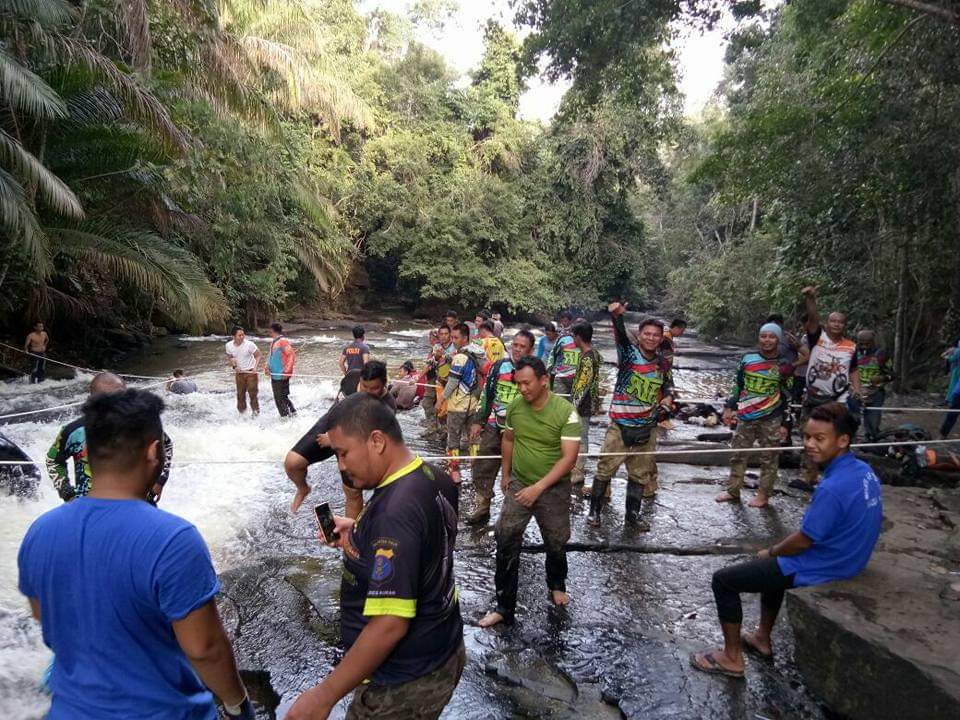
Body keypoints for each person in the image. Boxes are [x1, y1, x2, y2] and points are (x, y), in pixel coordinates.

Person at [20, 389, 255, 719]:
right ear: (153, 451)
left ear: (89, 452)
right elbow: (205, 649)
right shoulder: (175, 540)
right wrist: (237, 702)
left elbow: (47, 618)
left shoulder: (38, 533)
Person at [287, 393, 464, 720]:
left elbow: (389, 625)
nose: (341, 465)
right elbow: (424, 546)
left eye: (342, 453)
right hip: (444, 644)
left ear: (377, 441)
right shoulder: (432, 475)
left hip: (403, 680)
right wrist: (359, 533)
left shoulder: (394, 515)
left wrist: (323, 696)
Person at [691, 402, 881, 679]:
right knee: (778, 560)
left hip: (828, 564)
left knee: (725, 580)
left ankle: (731, 658)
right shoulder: (863, 471)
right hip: (851, 557)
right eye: (807, 437)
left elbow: (804, 541)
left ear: (843, 440)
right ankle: (762, 638)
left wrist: (771, 551)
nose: (810, 444)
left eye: (819, 439)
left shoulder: (832, 488)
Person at [479, 357, 581, 628]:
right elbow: (509, 439)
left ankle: (557, 584)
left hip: (553, 489)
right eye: (518, 383)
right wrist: (506, 472)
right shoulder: (515, 408)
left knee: (556, 540)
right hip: (520, 482)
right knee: (505, 536)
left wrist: (539, 488)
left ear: (544, 380)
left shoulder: (565, 412)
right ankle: (503, 606)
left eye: (527, 383)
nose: (522, 389)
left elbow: (569, 459)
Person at [587, 303, 674, 527]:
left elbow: (668, 390)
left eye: (656, 335)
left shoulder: (662, 364)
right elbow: (620, 338)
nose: (651, 338)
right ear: (640, 335)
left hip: (647, 426)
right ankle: (594, 512)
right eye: (647, 333)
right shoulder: (628, 354)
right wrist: (616, 316)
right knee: (605, 468)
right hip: (620, 425)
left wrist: (666, 404)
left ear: (661, 338)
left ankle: (632, 516)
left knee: (639, 474)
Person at [285, 361, 396, 518]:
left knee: (352, 492)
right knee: (292, 463)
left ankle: (350, 538)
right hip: (331, 422)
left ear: (384, 384)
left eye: (374, 389)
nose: (368, 393)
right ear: (360, 380)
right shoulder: (351, 377)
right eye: (365, 387)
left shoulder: (387, 407)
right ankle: (303, 488)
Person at [47, 372, 173, 504]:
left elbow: (166, 445)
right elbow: (53, 459)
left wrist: (159, 481)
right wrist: (66, 492)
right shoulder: (74, 431)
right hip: (88, 507)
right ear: (93, 400)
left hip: (139, 504)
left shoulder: (141, 424)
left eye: (122, 397)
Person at [715, 323, 793, 508]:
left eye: (771, 337)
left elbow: (789, 395)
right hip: (746, 415)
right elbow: (739, 385)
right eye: (763, 336)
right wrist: (729, 407)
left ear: (778, 339)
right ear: (759, 338)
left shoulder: (784, 365)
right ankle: (733, 490)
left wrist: (786, 424)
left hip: (771, 416)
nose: (767, 340)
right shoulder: (748, 359)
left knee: (770, 458)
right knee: (738, 454)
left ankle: (763, 495)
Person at [468, 329, 536, 525]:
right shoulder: (499, 367)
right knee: (483, 466)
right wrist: (478, 422)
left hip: (521, 433)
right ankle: (482, 506)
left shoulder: (535, 371)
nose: (517, 350)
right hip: (493, 426)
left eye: (523, 347)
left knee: (517, 473)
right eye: (515, 345)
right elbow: (487, 395)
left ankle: (510, 514)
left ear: (530, 350)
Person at [798, 286, 861, 487]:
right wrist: (811, 300)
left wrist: (857, 388)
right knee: (808, 434)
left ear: (844, 325)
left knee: (835, 437)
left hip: (837, 398)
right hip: (814, 395)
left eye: (840, 322)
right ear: (828, 323)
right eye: (833, 321)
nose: (836, 324)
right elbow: (813, 319)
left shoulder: (851, 346)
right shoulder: (817, 338)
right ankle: (808, 475)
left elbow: (853, 369)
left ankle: (833, 475)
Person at [441, 323, 485, 483]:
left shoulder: (460, 357)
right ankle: (475, 469)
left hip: (457, 405)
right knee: (474, 438)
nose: (453, 340)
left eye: (455, 337)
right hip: (473, 404)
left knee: (453, 439)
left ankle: (455, 472)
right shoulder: (477, 353)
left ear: (465, 338)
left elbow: (452, 383)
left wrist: (440, 400)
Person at [570, 322, 602, 488]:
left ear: (578, 337)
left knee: (580, 438)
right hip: (589, 402)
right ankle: (576, 469)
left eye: (573, 336)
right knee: (581, 436)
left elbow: (583, 384)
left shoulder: (588, 358)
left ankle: (577, 472)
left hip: (583, 404)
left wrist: (573, 405)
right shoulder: (595, 354)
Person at [855, 329, 893, 441]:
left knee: (872, 418)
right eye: (861, 343)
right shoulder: (853, 352)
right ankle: (851, 438)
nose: (864, 346)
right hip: (856, 390)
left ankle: (871, 439)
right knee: (852, 417)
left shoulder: (881, 355)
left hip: (876, 392)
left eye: (867, 343)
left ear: (873, 342)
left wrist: (882, 378)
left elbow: (893, 374)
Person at [225, 327, 261, 416]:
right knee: (240, 395)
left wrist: (255, 368)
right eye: (239, 335)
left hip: (250, 373)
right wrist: (234, 366)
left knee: (253, 394)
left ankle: (256, 414)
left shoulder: (249, 344)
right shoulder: (229, 345)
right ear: (234, 336)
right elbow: (230, 357)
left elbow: (258, 355)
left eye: (243, 334)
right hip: (239, 373)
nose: (242, 337)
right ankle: (242, 414)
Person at [266, 322, 297, 418]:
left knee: (279, 398)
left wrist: (287, 372)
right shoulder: (274, 342)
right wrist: (267, 367)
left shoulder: (283, 341)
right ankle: (292, 414)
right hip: (275, 374)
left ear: (272, 331)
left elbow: (291, 355)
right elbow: (270, 356)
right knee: (282, 397)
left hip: (281, 375)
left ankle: (286, 417)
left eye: (269, 331)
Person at [547, 321, 580, 397]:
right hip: (575, 378)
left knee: (559, 402)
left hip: (561, 376)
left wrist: (549, 371)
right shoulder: (583, 342)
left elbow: (552, 357)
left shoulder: (562, 339)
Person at [940, 340, 960, 438]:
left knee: (952, 414)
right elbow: (945, 356)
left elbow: (946, 357)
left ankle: (943, 434)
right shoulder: (958, 351)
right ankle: (943, 434)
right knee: (952, 414)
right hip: (958, 392)